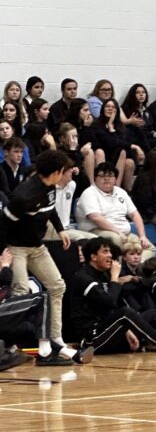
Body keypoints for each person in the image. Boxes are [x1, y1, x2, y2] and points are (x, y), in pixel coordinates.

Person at [0, 149, 93, 365]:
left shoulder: (50, 187)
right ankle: (11, 345)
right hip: (17, 248)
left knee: (57, 286)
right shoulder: (24, 196)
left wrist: (60, 229)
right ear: (57, 171)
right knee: (21, 295)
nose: (66, 174)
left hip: (37, 247)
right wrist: (3, 255)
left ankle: (55, 341)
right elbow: (3, 224)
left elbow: (49, 210)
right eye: (65, 171)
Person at [71, 238, 156, 355]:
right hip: (91, 339)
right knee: (125, 312)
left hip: (108, 329)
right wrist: (115, 278)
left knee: (154, 314)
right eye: (105, 252)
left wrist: (126, 329)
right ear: (93, 256)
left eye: (109, 252)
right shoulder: (83, 277)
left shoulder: (103, 275)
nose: (110, 255)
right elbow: (110, 302)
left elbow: (112, 309)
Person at [75, 162, 156, 259]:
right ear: (95, 178)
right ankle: (122, 268)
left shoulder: (121, 192)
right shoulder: (89, 193)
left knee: (149, 248)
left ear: (115, 179)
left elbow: (135, 214)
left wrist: (142, 236)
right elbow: (95, 217)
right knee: (115, 239)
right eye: (102, 176)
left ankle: (132, 265)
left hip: (124, 234)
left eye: (110, 175)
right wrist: (118, 232)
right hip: (98, 231)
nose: (106, 178)